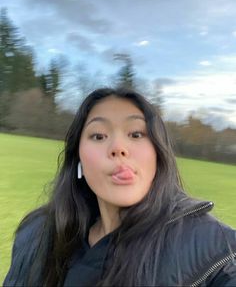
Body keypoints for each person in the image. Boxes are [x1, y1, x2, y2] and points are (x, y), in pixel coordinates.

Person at [4, 87, 236, 287]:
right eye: (98, 136)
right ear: (79, 160)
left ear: (158, 153)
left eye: (136, 134)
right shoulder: (36, 233)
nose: (118, 147)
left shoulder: (218, 249)